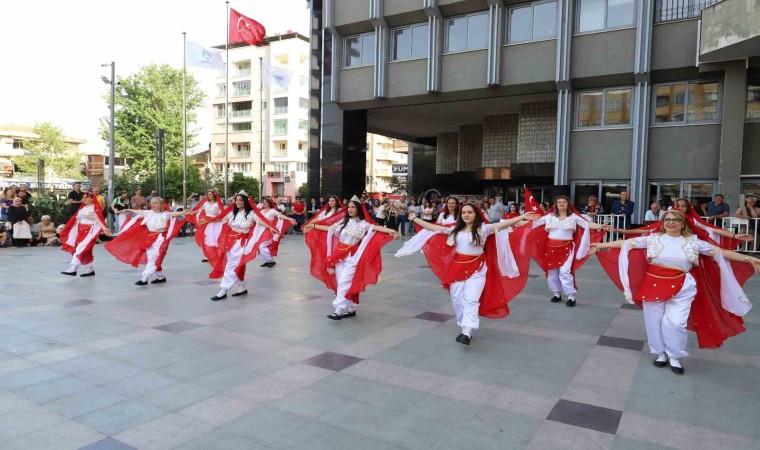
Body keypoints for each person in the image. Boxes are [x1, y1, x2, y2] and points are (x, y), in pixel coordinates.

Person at [591, 210, 759, 374]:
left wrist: (749, 258)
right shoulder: (653, 239)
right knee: (654, 320)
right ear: (663, 223)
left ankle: (675, 355)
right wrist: (601, 245)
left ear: (683, 223)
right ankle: (661, 353)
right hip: (654, 282)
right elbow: (626, 243)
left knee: (676, 322)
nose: (670, 222)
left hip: (683, 284)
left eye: (675, 220)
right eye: (667, 220)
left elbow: (720, 253)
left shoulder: (693, 241)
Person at [398, 204, 539, 345]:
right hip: (457, 268)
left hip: (478, 268)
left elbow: (504, 224)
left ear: (476, 214)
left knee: (471, 300)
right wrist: (415, 218)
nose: (466, 215)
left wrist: (522, 216)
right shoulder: (454, 230)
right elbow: (434, 228)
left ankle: (467, 333)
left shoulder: (484, 229)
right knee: (457, 297)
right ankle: (464, 325)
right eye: (464, 212)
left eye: (470, 212)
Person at [303, 200, 398, 320]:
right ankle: (352, 307)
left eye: (353, 207)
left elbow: (376, 228)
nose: (350, 209)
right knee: (343, 283)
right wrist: (314, 225)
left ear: (358, 209)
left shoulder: (363, 224)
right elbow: (330, 229)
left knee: (343, 282)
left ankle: (338, 310)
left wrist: (390, 230)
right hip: (339, 255)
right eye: (349, 207)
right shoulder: (343, 222)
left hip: (353, 257)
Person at [532, 195, 610, 307]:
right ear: (556, 205)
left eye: (564, 202)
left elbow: (586, 224)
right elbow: (534, 223)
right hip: (550, 248)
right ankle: (556, 294)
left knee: (565, 272)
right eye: (559, 202)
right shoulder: (549, 216)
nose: (562, 204)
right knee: (552, 272)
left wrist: (600, 225)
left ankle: (571, 296)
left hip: (566, 247)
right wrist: (517, 223)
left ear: (568, 204)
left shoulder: (573, 216)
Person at [201, 193, 281, 300]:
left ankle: (223, 290)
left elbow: (260, 221)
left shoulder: (251, 214)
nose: (238, 202)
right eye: (236, 200)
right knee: (236, 265)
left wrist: (270, 227)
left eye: (240, 200)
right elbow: (220, 218)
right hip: (230, 242)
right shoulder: (232, 213)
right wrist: (207, 220)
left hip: (241, 242)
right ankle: (242, 287)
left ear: (245, 202)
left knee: (231, 265)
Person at [617, 197, 753, 249]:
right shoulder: (668, 219)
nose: (681, 208)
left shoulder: (693, 220)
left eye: (684, 206)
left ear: (688, 207)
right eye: (679, 205)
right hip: (669, 247)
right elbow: (650, 229)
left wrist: (735, 236)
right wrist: (626, 232)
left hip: (688, 248)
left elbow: (713, 228)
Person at [108, 197, 187, 285]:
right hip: (150, 238)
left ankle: (144, 278)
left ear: (161, 204)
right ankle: (160, 277)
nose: (153, 204)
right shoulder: (149, 213)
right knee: (151, 257)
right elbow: (138, 211)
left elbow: (174, 214)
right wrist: (128, 209)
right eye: (152, 203)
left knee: (154, 257)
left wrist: (183, 212)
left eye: (155, 203)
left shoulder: (166, 214)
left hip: (160, 238)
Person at [60, 193, 112, 276]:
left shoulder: (94, 208)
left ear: (92, 199)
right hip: (80, 230)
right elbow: (77, 221)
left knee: (81, 247)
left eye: (86, 198)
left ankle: (73, 268)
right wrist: (69, 229)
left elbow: (98, 219)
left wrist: (104, 228)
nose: (84, 199)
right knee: (85, 249)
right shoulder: (83, 208)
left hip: (89, 231)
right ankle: (90, 269)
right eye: (83, 197)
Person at [184, 190, 224, 263]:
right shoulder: (206, 203)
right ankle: (207, 256)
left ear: (214, 195)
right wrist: (191, 212)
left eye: (210, 194)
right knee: (207, 239)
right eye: (208, 194)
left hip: (215, 223)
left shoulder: (219, 203)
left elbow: (221, 215)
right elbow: (199, 210)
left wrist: (212, 220)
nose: (209, 196)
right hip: (207, 223)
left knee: (215, 240)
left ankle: (218, 256)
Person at [257, 198, 297, 268]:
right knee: (259, 245)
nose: (264, 203)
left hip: (269, 229)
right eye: (263, 202)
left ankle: (271, 261)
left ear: (269, 203)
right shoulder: (262, 211)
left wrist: (288, 218)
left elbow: (280, 215)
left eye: (266, 202)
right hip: (261, 229)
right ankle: (268, 261)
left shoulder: (272, 211)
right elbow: (258, 219)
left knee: (262, 245)